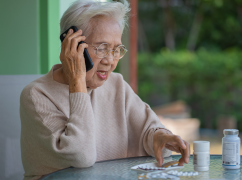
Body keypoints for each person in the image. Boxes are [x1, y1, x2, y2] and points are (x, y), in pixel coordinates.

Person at [20, 0, 190, 179]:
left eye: (116, 49)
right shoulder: (36, 95)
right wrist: (77, 82)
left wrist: (160, 137)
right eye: (102, 48)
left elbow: (149, 129)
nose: (110, 60)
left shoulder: (116, 84)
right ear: (73, 46)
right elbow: (81, 156)